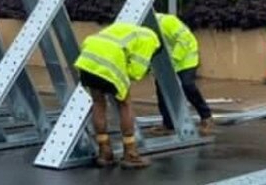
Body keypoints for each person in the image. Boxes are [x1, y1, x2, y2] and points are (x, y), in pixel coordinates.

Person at [73, 22, 161, 169]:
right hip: (109, 61)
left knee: (98, 102)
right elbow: (135, 72)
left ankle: (104, 152)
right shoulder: (151, 40)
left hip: (88, 57)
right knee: (124, 104)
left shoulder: (126, 28)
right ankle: (130, 154)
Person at [148, 13, 214, 136]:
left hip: (186, 57)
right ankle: (168, 124)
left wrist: (173, 61)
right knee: (162, 91)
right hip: (168, 61)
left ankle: (206, 117)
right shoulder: (145, 31)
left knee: (187, 85)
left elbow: (183, 40)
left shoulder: (167, 21)